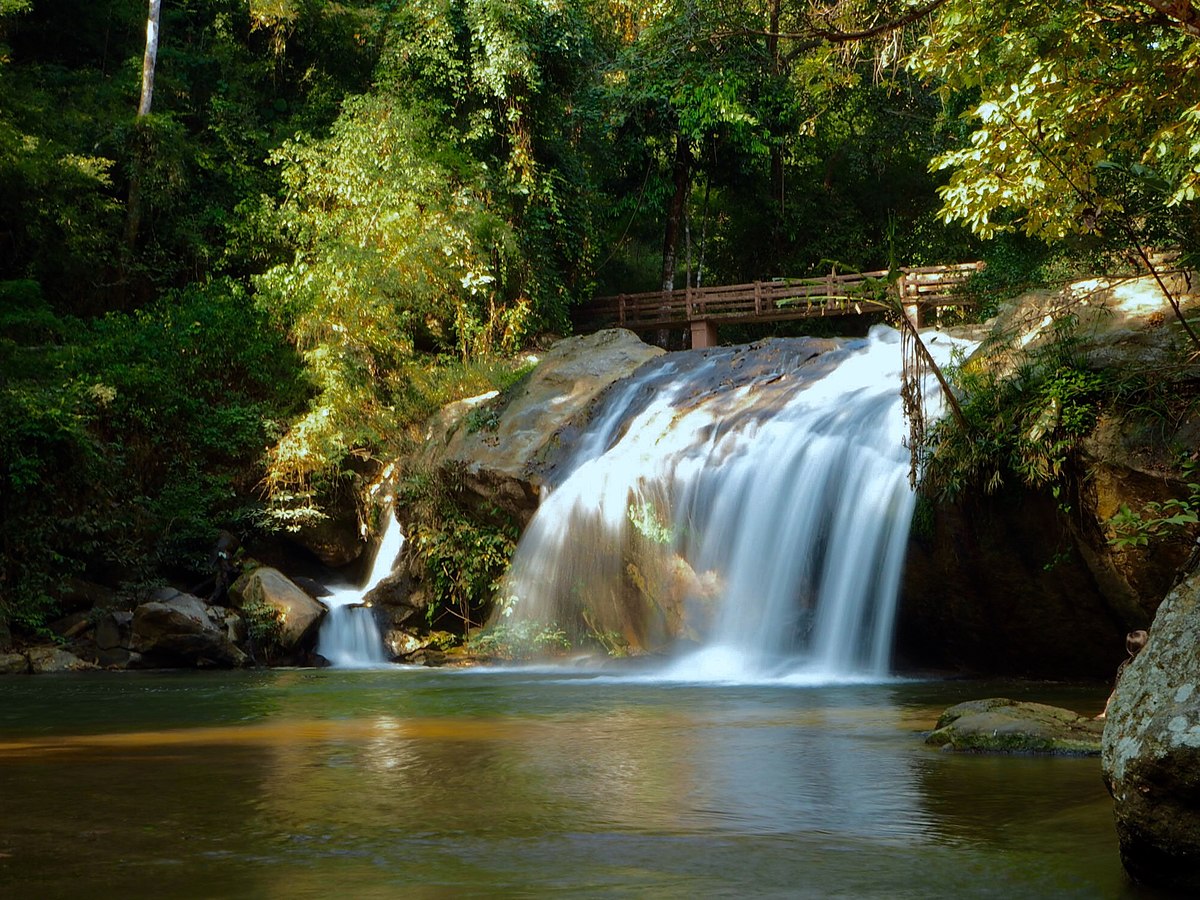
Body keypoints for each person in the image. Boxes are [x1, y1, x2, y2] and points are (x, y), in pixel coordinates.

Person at [1097, 629, 1149, 719]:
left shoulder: (1125, 665)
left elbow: (1117, 689)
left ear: (1129, 649)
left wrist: (1106, 710)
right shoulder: (1146, 663)